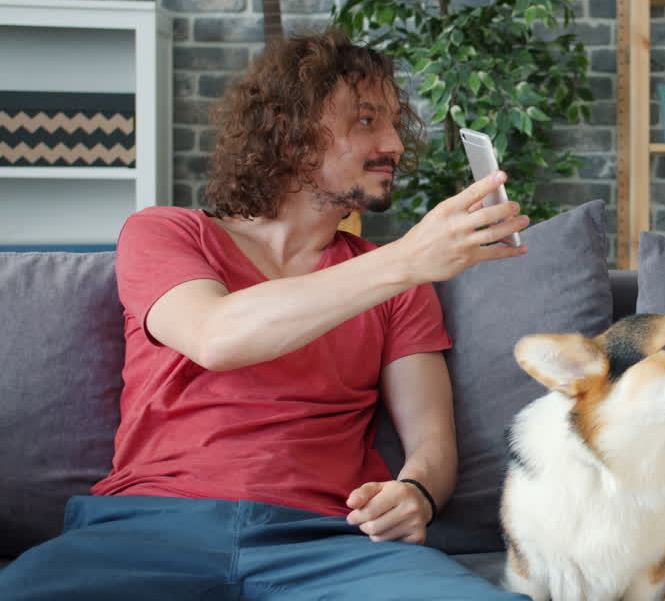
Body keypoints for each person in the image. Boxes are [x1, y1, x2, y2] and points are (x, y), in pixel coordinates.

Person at [0, 29, 532, 600]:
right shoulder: (167, 233)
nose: (395, 143)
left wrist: (417, 493)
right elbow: (215, 335)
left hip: (332, 543)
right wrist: (408, 258)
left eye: (396, 123)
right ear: (288, 130)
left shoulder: (400, 282)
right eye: (367, 120)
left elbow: (432, 443)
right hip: (147, 530)